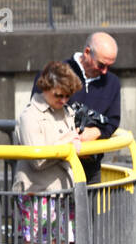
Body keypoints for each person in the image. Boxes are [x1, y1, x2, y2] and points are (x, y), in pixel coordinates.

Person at [13, 60, 83, 244]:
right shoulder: (30, 116)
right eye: (59, 95)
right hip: (37, 191)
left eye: (67, 96)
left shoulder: (66, 112)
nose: (63, 100)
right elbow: (37, 158)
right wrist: (67, 143)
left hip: (61, 191)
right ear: (46, 87)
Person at [49, 31, 122, 186]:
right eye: (101, 65)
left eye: (110, 66)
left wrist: (96, 132)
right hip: (56, 168)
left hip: (90, 168)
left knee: (89, 210)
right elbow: (39, 112)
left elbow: (113, 121)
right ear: (87, 52)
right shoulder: (57, 74)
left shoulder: (113, 83)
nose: (105, 71)